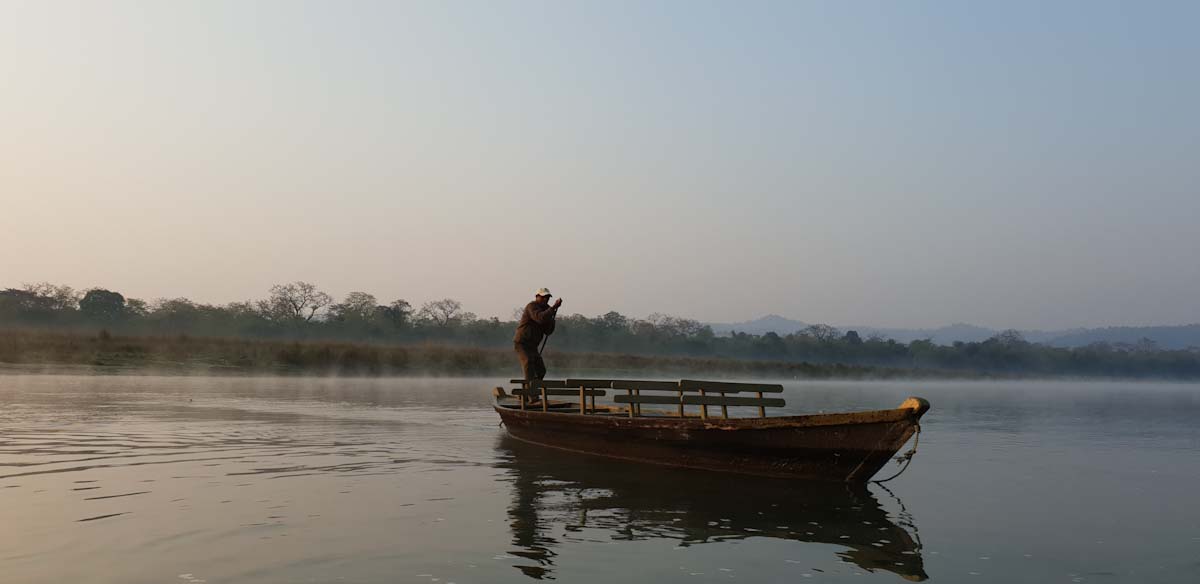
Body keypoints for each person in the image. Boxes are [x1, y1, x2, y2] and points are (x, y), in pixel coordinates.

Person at [513, 288, 562, 381]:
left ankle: (532, 388)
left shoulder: (547, 309)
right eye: (543, 297)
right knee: (528, 362)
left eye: (547, 297)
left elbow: (548, 331)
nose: (545, 299)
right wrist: (553, 307)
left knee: (541, 371)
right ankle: (530, 392)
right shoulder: (532, 306)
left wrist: (552, 319)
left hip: (533, 346)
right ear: (537, 297)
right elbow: (539, 318)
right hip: (522, 343)